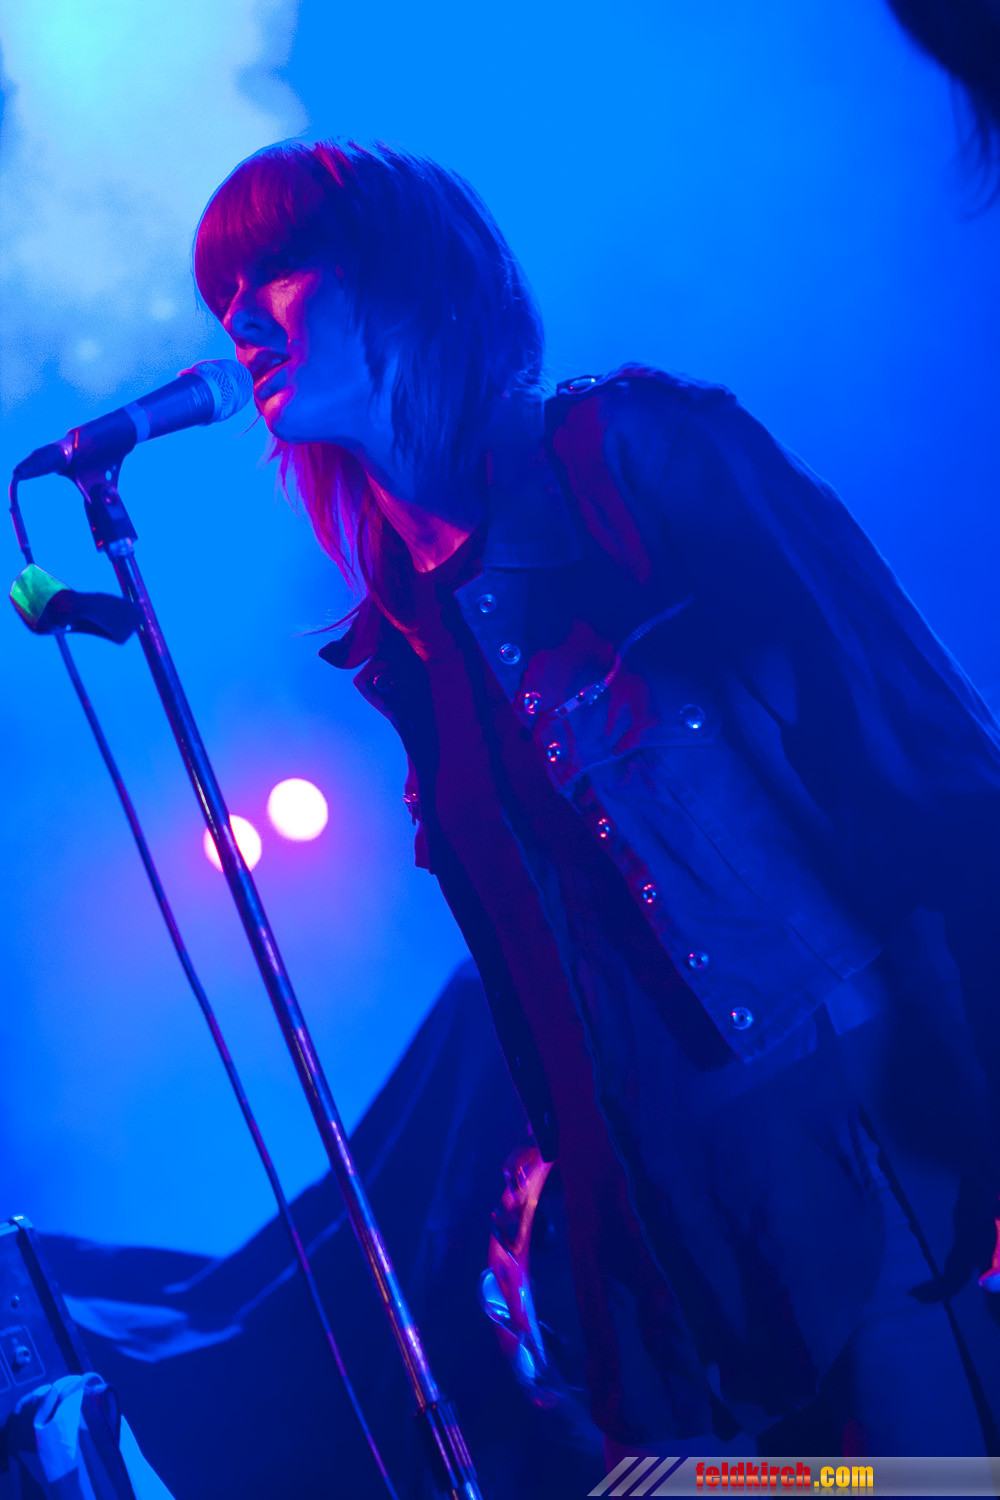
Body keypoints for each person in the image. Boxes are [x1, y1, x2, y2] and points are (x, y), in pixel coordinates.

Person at [194, 139, 1000, 1464]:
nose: (239, 320)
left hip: (877, 1156)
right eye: (221, 296)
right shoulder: (402, 645)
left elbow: (923, 762)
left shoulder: (638, 456)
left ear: (409, 273)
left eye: (275, 270)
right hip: (694, 1247)